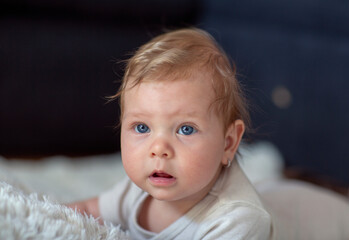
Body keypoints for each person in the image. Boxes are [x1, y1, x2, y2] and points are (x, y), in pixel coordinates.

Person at [67, 28, 275, 239]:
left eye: (186, 129)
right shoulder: (136, 189)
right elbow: (85, 211)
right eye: (142, 127)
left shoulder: (238, 219)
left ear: (228, 143)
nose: (158, 149)